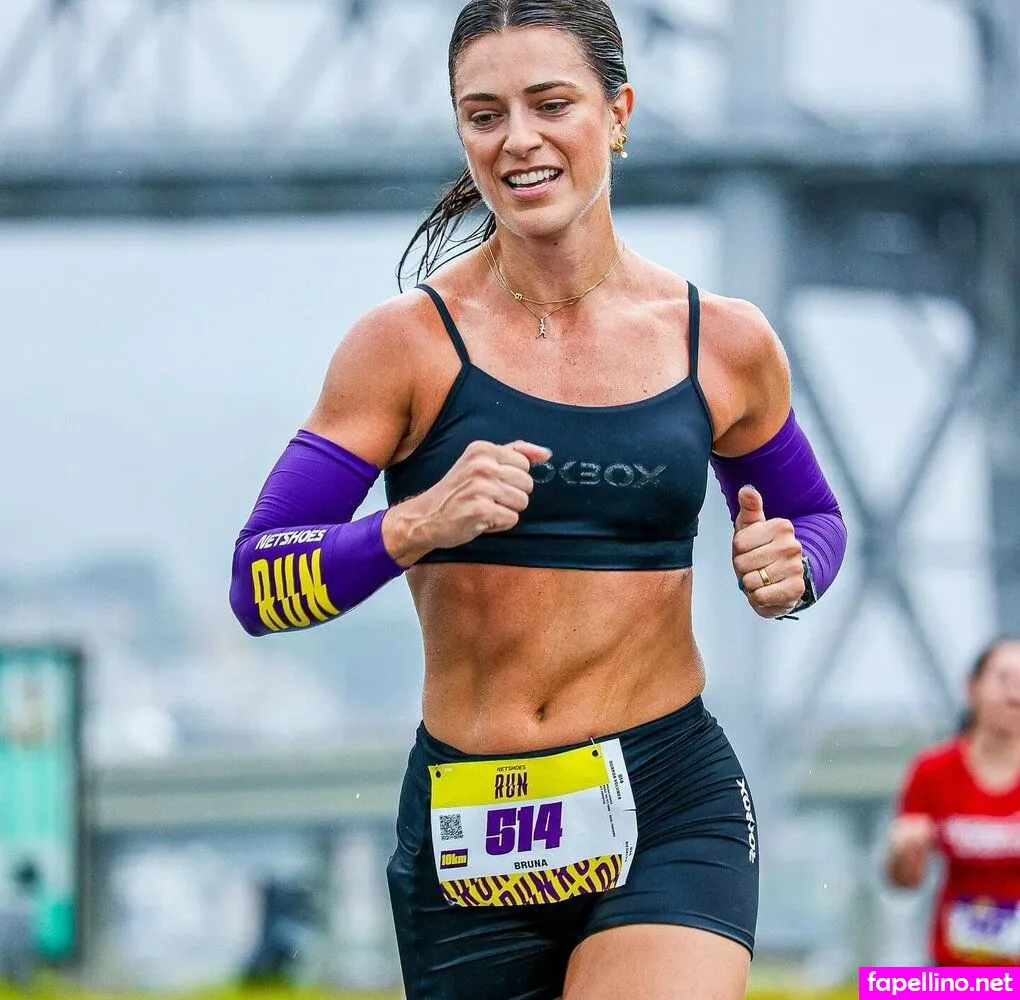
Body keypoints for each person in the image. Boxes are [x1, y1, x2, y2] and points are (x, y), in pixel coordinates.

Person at [228, 2, 847, 997]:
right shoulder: (405, 345)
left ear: (618, 113)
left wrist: (796, 569)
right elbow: (256, 585)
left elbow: (813, 519)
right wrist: (416, 524)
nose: (518, 138)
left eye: (551, 104)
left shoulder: (722, 341)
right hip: (472, 824)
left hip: (670, 797)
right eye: (485, 115)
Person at [886, 637, 1020, 967]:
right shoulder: (932, 771)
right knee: (882, 988)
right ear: (972, 688)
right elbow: (904, 882)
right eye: (1004, 680)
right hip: (953, 969)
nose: (1014, 695)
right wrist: (903, 852)